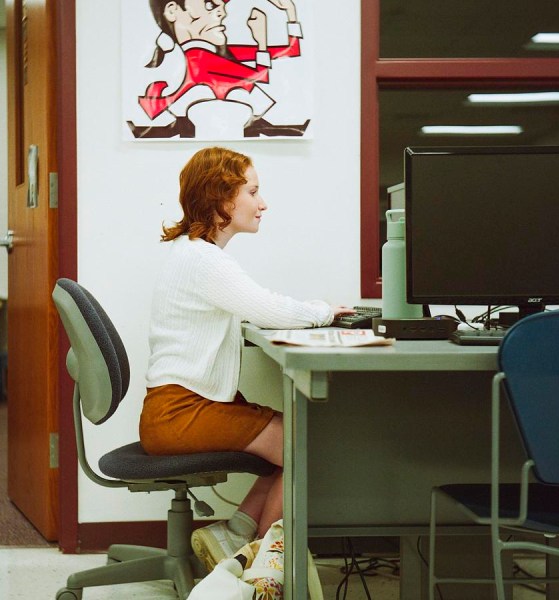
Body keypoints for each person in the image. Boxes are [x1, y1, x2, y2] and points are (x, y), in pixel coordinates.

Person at [139, 146, 354, 571]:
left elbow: (251, 305)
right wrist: (324, 312)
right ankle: (259, 568)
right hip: (180, 413)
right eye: (253, 192)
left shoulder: (194, 253)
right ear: (222, 198)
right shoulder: (203, 260)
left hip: (176, 409)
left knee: (294, 435)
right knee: (303, 444)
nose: (263, 203)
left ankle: (237, 536)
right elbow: (268, 308)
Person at [128, 0, 310, 139]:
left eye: (222, 6)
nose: (222, 13)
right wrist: (261, 43)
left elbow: (289, 52)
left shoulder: (218, 54)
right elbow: (258, 79)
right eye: (209, 5)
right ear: (172, 11)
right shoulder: (199, 61)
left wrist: (290, 12)